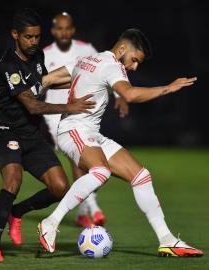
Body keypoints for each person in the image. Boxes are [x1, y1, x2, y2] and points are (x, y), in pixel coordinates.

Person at [37, 28, 204, 257]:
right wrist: (168, 88)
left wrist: (27, 92)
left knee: (140, 175)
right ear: (123, 48)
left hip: (89, 133)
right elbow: (131, 95)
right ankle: (51, 223)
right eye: (135, 60)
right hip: (74, 130)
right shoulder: (112, 64)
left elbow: (49, 79)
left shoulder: (87, 59)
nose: (134, 67)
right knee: (100, 172)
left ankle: (167, 239)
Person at [0, 8, 96, 262]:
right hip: (6, 131)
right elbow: (33, 105)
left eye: (37, 37)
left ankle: (16, 212)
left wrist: (88, 81)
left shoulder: (38, 55)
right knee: (12, 182)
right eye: (28, 37)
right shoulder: (8, 65)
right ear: (15, 35)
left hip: (31, 134)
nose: (34, 42)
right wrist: (71, 106)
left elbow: (42, 82)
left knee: (60, 188)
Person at [43, 12, 129, 227]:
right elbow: (42, 82)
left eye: (67, 28)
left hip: (86, 113)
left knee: (91, 167)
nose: (63, 32)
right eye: (59, 28)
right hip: (56, 117)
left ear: (73, 30)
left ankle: (84, 209)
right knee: (79, 161)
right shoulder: (44, 54)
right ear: (53, 31)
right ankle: (92, 208)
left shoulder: (86, 49)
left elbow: (107, 68)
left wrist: (119, 96)